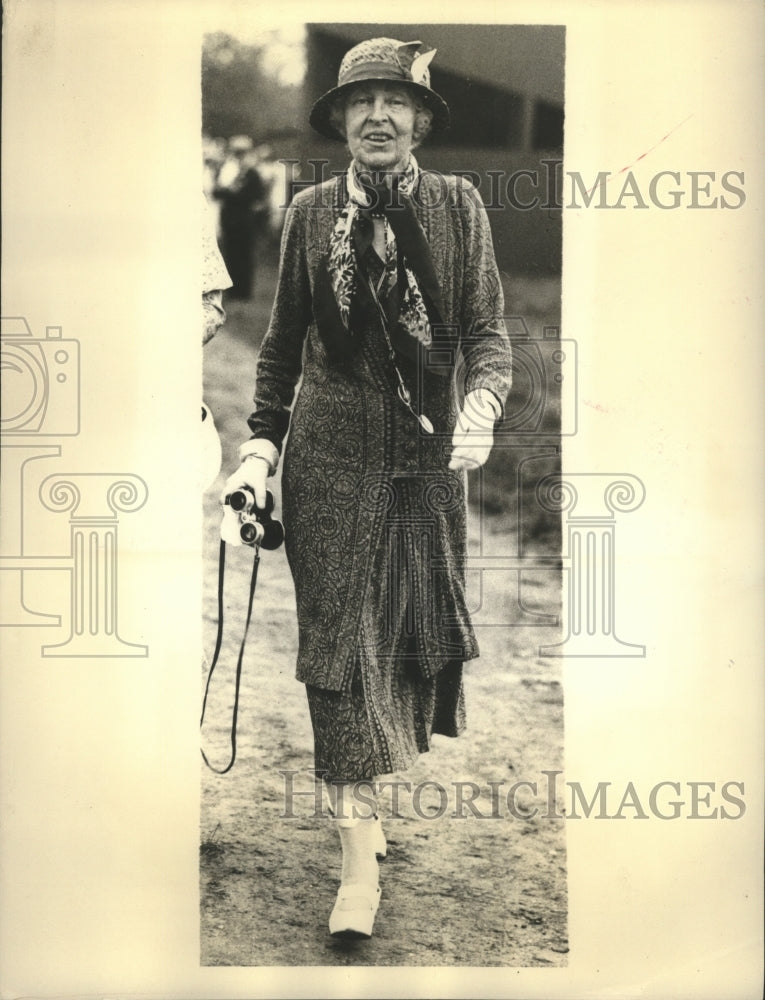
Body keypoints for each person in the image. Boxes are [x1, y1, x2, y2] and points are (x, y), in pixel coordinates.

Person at [221, 37, 513, 939]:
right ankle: (354, 863)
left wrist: (483, 408)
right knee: (336, 651)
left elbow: (488, 333)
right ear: (341, 120)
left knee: (395, 646)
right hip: (330, 463)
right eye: (361, 103)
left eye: (396, 102)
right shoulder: (309, 212)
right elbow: (278, 349)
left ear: (421, 120)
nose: (378, 117)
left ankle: (365, 802)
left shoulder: (459, 206)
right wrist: (259, 453)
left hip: (425, 469)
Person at [213, 135, 267, 301]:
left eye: (242, 152)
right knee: (231, 254)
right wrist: (231, 192)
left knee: (244, 255)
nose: (239, 155)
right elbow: (216, 192)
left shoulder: (252, 173)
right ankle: (232, 290)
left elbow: (256, 195)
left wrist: (234, 193)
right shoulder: (227, 170)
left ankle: (243, 291)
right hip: (229, 218)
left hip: (244, 219)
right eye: (236, 152)